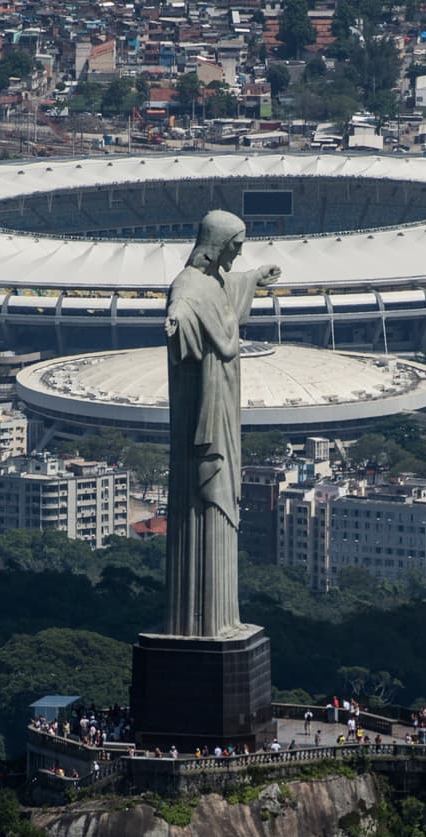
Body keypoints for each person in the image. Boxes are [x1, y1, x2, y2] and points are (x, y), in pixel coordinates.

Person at [163, 210, 281, 637]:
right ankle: (200, 623)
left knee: (221, 506)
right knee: (203, 505)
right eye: (236, 246)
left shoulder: (213, 280)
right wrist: (176, 320)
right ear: (216, 244)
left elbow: (224, 288)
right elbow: (184, 302)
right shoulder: (188, 286)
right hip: (204, 406)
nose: (239, 252)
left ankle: (222, 619)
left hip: (226, 399)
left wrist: (253, 277)